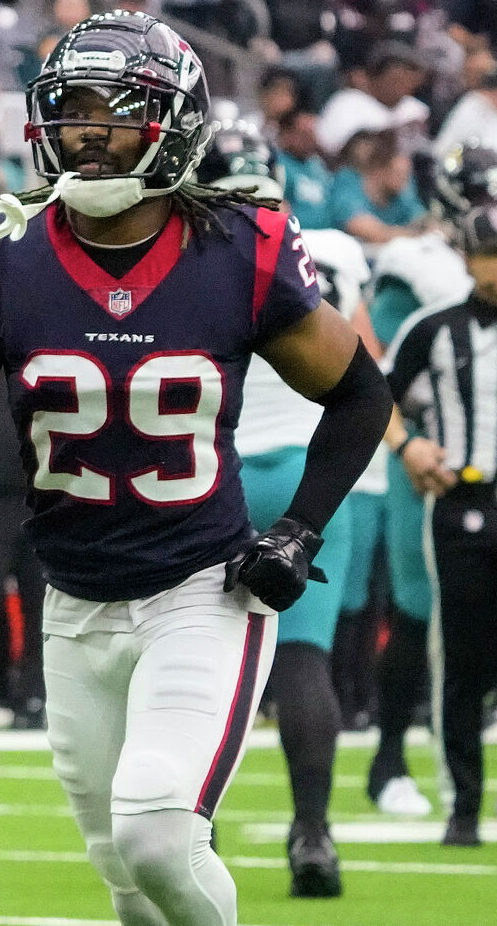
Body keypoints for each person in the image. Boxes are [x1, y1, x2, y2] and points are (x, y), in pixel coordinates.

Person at [0, 11, 390, 926]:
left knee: (158, 830)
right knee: (125, 872)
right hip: (73, 600)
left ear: (176, 124)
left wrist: (295, 527)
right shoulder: (2, 254)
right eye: (69, 108)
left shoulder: (242, 249)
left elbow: (361, 395)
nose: (85, 130)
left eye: (112, 111)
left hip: (200, 588)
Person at [205, 122, 374, 897]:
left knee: (194, 660)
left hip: (217, 471)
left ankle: (189, 831)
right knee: (303, 658)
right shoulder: (330, 248)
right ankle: (313, 833)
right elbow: (360, 364)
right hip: (311, 473)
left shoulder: (187, 248)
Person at [382, 203, 497, 848]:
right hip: (461, 508)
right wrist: (407, 446)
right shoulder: (435, 328)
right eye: (495, 252)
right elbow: (376, 394)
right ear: (469, 260)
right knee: (463, 659)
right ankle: (464, 803)